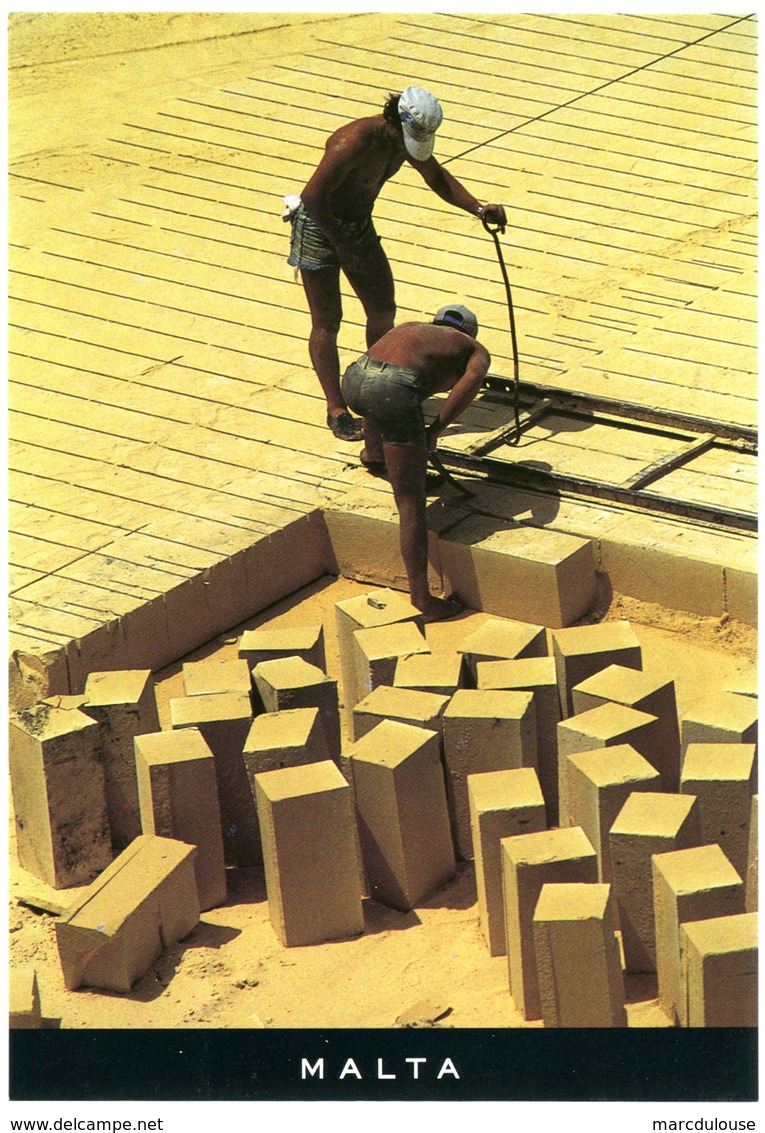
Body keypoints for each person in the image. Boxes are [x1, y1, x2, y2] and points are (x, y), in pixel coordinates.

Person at [284, 86, 506, 441]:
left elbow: (436, 176)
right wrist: (342, 246)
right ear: (392, 122)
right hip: (319, 225)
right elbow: (313, 196)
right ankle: (336, 408)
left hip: (358, 224)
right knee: (328, 321)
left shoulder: (400, 143)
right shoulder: (354, 141)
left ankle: (379, 391)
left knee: (382, 310)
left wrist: (478, 208)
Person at [340, 303, 490, 622]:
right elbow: (464, 390)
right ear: (468, 334)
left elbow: (376, 372)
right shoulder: (474, 351)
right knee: (410, 501)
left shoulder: (411, 330)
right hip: (391, 389)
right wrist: (433, 431)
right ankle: (423, 599)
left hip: (353, 379)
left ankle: (374, 455)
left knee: (383, 399)